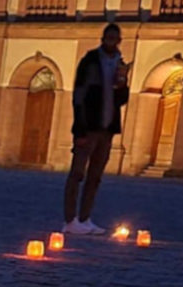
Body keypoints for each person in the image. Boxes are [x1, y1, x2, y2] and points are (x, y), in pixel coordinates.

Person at [62, 23, 130, 235]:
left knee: (95, 176)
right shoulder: (90, 61)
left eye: (115, 39)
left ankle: (85, 218)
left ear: (119, 41)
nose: (111, 41)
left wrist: (122, 84)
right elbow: (79, 96)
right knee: (77, 174)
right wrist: (79, 129)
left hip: (107, 128)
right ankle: (70, 219)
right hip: (88, 127)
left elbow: (121, 100)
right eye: (108, 38)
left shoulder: (119, 63)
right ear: (103, 39)